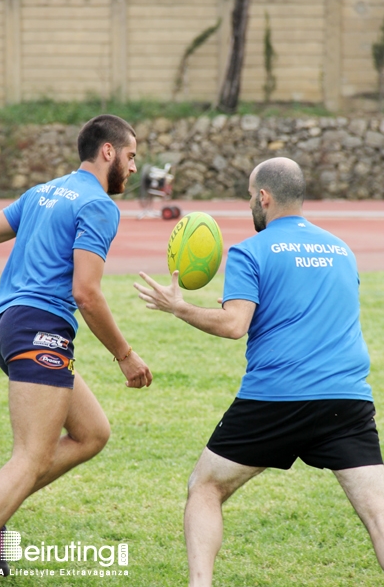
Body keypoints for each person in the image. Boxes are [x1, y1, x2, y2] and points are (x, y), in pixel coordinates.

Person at [134, 156, 384, 587]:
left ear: (264, 197)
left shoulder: (250, 250)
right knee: (379, 513)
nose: (251, 202)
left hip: (275, 399)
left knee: (206, 488)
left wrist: (179, 307)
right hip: (347, 399)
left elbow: (234, 326)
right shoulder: (342, 250)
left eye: (251, 196)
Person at [0, 114, 152, 576]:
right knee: (32, 455)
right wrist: (125, 354)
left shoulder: (43, 192)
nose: (134, 168)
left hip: (8, 327)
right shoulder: (98, 205)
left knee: (92, 433)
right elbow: (87, 292)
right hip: (41, 332)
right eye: (132, 156)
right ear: (108, 152)